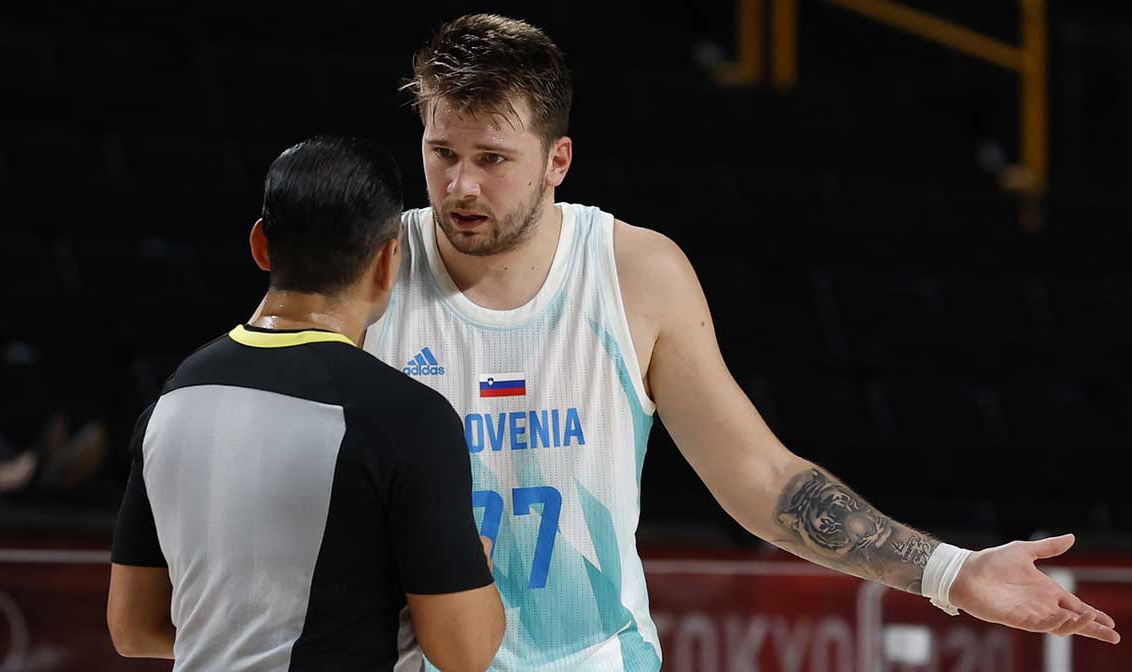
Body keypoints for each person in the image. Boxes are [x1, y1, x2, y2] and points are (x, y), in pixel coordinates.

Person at [362, 14, 1120, 671]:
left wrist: (951, 572)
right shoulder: (367, 269)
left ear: (557, 160)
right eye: (442, 153)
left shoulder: (634, 273)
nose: (461, 186)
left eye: (491, 159)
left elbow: (762, 481)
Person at [107, 135, 504, 671]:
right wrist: (471, 572)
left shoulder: (171, 402)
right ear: (388, 260)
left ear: (261, 245)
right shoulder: (410, 419)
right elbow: (465, 653)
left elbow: (132, 628)